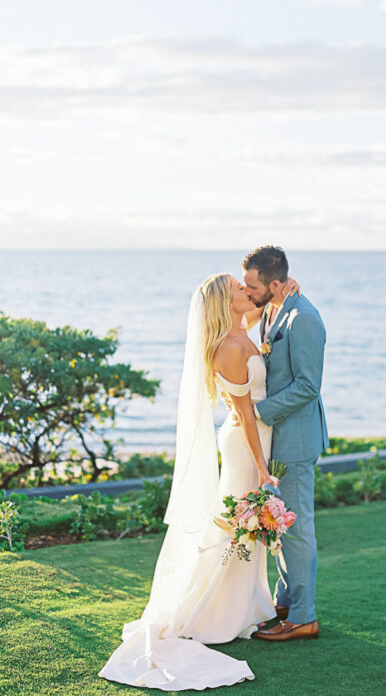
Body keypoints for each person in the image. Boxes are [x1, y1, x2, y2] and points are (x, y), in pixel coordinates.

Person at [100, 272, 286, 690]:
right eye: (240, 289)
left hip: (258, 437)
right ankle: (214, 611)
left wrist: (281, 292)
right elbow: (242, 415)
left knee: (244, 523)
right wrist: (261, 466)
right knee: (240, 521)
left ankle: (247, 604)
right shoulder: (226, 348)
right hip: (245, 443)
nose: (247, 291)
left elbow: (260, 308)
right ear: (225, 301)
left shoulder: (242, 329)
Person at [242, 245, 329, 643]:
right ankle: (286, 604)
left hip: (294, 439)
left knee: (296, 528)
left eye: (253, 285)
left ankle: (304, 617)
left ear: (274, 284)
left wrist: (260, 412)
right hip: (276, 440)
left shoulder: (305, 318)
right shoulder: (275, 305)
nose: (248, 291)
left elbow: (309, 386)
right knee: (280, 524)